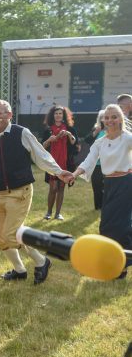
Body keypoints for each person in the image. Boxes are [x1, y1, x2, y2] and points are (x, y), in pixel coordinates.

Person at [0, 100, 74, 285]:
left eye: (0, 113)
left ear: (9, 115)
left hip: (21, 192)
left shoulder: (22, 133)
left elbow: (40, 154)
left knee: (12, 235)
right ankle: (20, 270)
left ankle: (42, 262)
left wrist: (59, 172)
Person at [71, 104, 131, 279]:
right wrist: (74, 174)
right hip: (110, 184)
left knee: (120, 225)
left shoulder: (127, 138)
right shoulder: (100, 142)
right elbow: (88, 161)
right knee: (106, 224)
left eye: (114, 117)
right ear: (102, 120)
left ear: (120, 119)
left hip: (126, 184)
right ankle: (111, 260)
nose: (110, 120)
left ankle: (122, 267)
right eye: (107, 117)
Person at [40, 105, 79, 220]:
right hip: (52, 163)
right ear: (53, 115)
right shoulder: (48, 129)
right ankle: (48, 212)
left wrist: (68, 134)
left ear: (64, 115)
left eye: (60, 113)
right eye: (56, 113)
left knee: (61, 187)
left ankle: (58, 214)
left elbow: (73, 142)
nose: (58, 115)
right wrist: (49, 140)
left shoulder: (70, 128)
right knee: (53, 188)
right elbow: (42, 146)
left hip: (65, 162)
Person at [84, 110, 106, 210]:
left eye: (105, 117)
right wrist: (95, 132)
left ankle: (106, 205)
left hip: (108, 164)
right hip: (96, 164)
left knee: (107, 186)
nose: (104, 119)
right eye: (102, 117)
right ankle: (98, 207)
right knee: (96, 185)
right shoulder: (96, 129)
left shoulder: (113, 130)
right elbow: (87, 140)